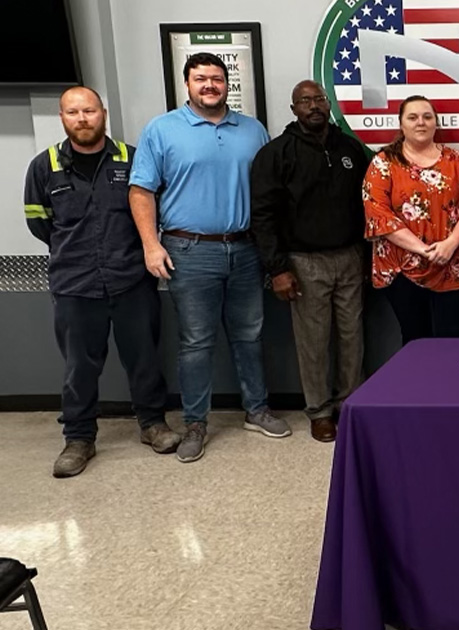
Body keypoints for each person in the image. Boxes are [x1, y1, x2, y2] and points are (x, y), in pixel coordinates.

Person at [130, 52, 290, 464]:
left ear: (227, 84)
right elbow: (141, 190)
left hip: (244, 247)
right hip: (189, 250)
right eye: (200, 78)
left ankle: (256, 410)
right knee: (197, 342)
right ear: (187, 84)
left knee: (250, 335)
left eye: (217, 79)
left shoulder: (253, 131)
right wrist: (151, 244)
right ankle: (195, 423)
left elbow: (270, 194)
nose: (209, 85)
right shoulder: (162, 130)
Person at [23, 86, 177, 478]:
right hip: (75, 285)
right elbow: (40, 223)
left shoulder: (132, 159)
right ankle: (78, 438)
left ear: (102, 113)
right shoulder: (45, 166)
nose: (82, 119)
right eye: (73, 112)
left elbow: (149, 211)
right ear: (62, 118)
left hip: (131, 280)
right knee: (79, 367)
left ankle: (152, 424)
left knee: (143, 358)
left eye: (89, 111)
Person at [250, 80, 369, 443]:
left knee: (353, 337)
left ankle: (348, 403)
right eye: (305, 101)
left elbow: (368, 205)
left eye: (319, 99)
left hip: (349, 256)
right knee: (313, 341)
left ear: (328, 104)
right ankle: (319, 411)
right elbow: (263, 215)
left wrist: (367, 256)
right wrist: (277, 269)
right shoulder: (276, 153)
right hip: (303, 261)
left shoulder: (350, 148)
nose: (313, 106)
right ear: (294, 109)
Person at [363, 95, 459, 343]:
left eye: (427, 117)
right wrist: (424, 250)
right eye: (412, 117)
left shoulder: (456, 161)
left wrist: (449, 245)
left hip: (452, 265)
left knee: (455, 340)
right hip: (402, 269)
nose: (421, 123)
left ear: (436, 123)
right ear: (401, 124)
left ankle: (451, 384)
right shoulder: (383, 163)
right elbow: (378, 214)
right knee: (416, 340)